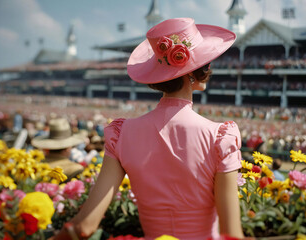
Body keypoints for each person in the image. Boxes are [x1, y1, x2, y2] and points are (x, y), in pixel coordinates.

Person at [52, 18, 245, 240]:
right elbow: (231, 234)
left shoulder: (121, 133)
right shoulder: (221, 136)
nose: (209, 68)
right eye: (207, 63)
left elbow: (85, 226)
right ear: (192, 73)